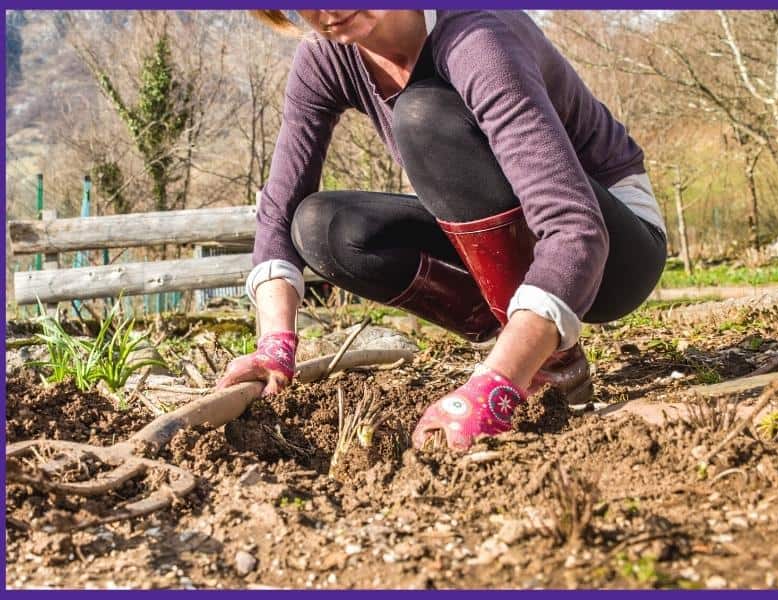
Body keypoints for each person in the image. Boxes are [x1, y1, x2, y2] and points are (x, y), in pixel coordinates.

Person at [216, 9, 667, 451]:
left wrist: (497, 382)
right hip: (518, 241)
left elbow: (575, 227)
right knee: (322, 227)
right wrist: (275, 345)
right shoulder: (327, 56)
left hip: (611, 249)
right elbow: (281, 205)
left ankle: (543, 361)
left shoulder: (478, 37)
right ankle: (525, 340)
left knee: (425, 116)